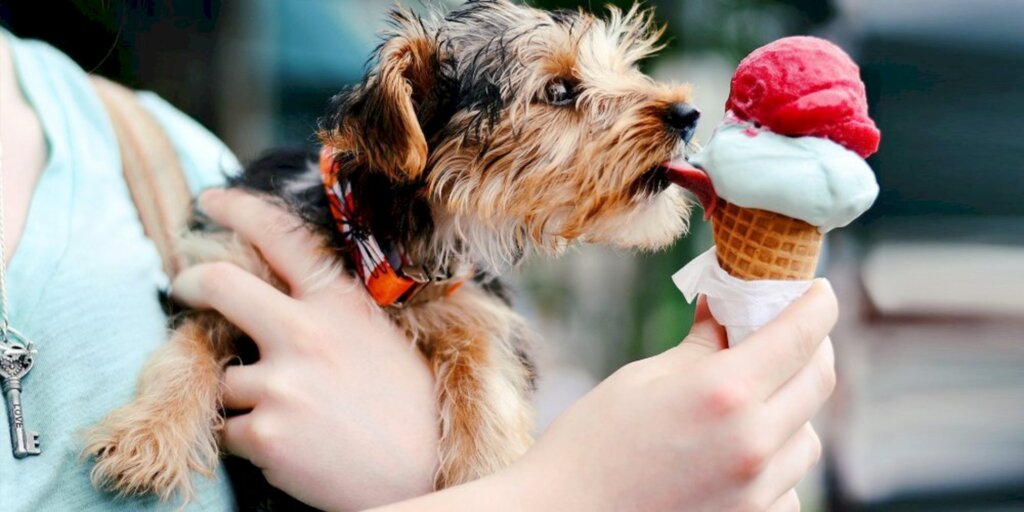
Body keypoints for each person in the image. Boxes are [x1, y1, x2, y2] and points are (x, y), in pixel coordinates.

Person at [0, 28, 837, 512]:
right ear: (412, 127)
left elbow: (492, 451)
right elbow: (206, 327)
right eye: (560, 94)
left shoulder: (158, 155)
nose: (673, 107)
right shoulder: (243, 209)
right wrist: (568, 492)